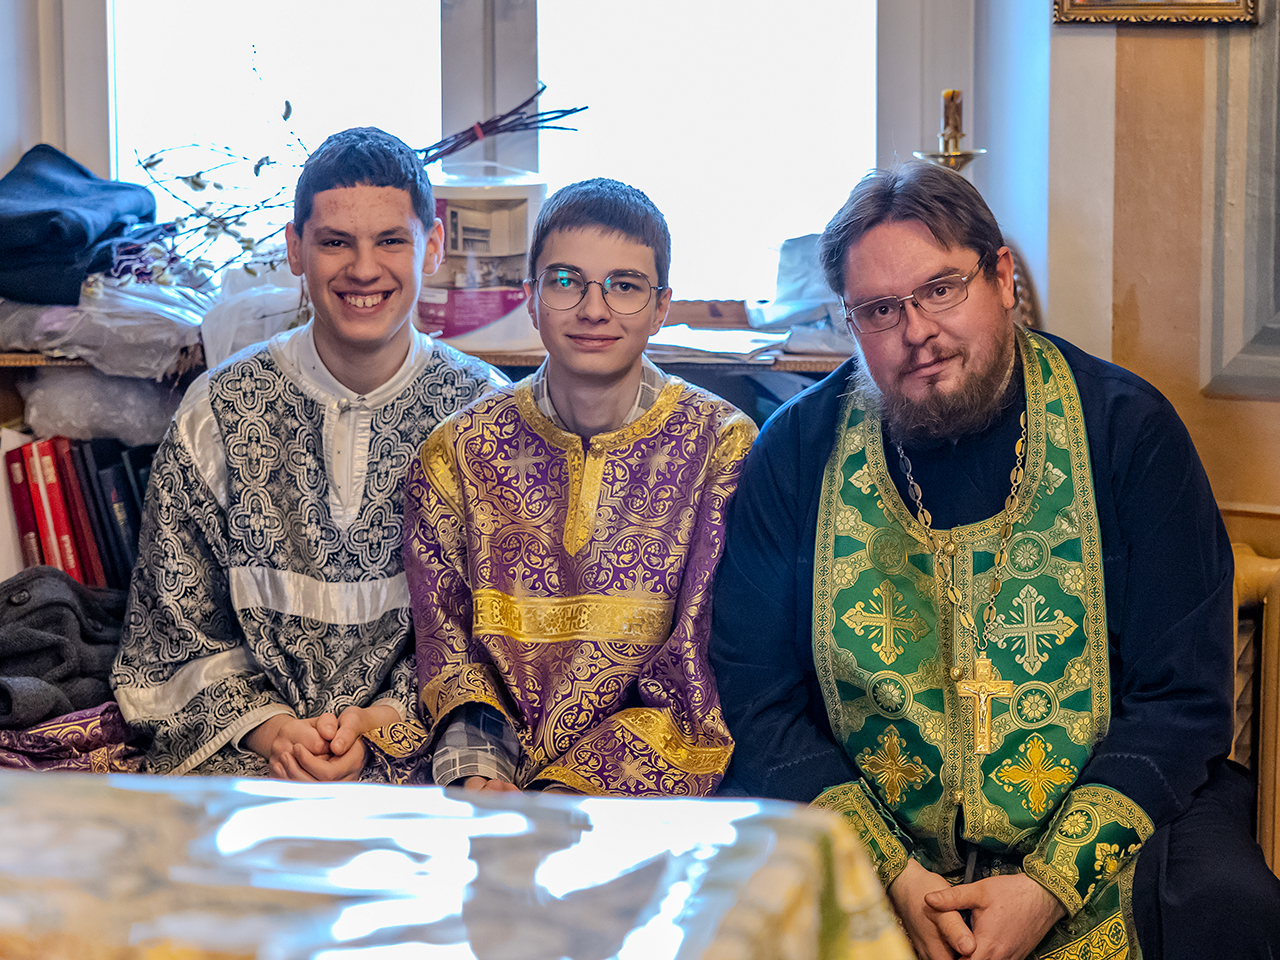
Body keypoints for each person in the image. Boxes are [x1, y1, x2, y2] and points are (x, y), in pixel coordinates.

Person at [710, 162, 1280, 959]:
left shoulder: (1128, 431)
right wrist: (892, 873)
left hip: (1100, 821)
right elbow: (759, 697)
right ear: (851, 322)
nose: (917, 331)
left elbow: (1182, 697)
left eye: (941, 289)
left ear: (1002, 277)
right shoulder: (797, 452)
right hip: (871, 833)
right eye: (880, 310)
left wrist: (1049, 886)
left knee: (1228, 905)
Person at [111, 127, 506, 782]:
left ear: (433, 246)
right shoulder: (217, 412)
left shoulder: (484, 419)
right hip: (250, 758)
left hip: (419, 755)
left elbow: (496, 631)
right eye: (334, 242)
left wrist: (383, 721)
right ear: (296, 248)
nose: (363, 268)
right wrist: (275, 732)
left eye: (390, 240)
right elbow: (172, 634)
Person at [405, 178, 755, 795]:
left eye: (625, 286)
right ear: (531, 298)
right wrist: (480, 769)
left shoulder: (721, 450)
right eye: (566, 281)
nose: (594, 309)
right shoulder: (456, 452)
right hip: (486, 784)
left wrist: (568, 794)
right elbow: (447, 647)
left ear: (661, 307)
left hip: (640, 792)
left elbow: (695, 673)